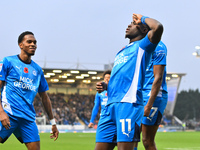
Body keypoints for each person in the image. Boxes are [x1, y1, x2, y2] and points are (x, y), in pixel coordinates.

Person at [94, 13, 164, 150]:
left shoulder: (143, 46)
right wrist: (106, 86)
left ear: (144, 30)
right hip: (109, 107)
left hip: (128, 105)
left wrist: (142, 18)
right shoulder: (121, 51)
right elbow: (122, 79)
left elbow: (158, 28)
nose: (129, 25)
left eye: (133, 24)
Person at [0, 31, 59, 150]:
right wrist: (1, 112)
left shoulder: (37, 70)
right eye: (29, 42)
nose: (33, 44)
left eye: (35, 42)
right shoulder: (8, 61)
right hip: (8, 113)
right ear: (20, 45)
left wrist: (53, 122)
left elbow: (45, 97)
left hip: (27, 118)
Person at [133, 41, 168, 150]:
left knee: (147, 140)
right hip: (137, 94)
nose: (131, 25)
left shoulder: (159, 46)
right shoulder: (136, 45)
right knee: (132, 136)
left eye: (135, 22)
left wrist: (148, 105)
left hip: (152, 95)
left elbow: (158, 78)